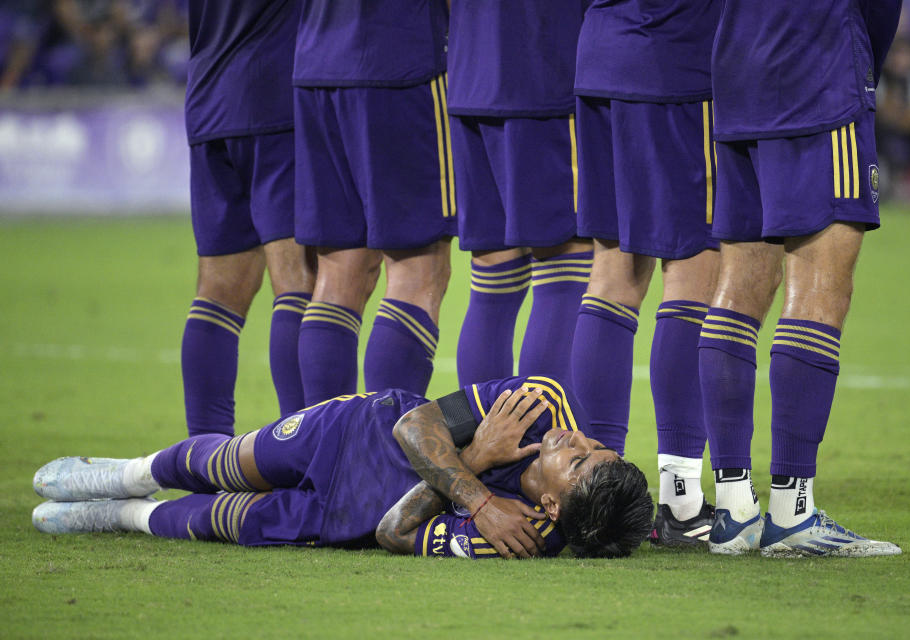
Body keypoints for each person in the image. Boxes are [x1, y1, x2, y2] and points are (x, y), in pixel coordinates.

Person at [699, 0, 904, 556]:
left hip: (736, 68)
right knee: (821, 285)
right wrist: (860, 66)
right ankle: (793, 513)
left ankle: (733, 510)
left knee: (737, 286)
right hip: (816, 64)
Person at [33, 379, 654, 559]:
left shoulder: (526, 539)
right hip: (350, 434)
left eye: (576, 458)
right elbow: (413, 428)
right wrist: (479, 494)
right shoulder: (539, 403)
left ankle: (117, 515)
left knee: (220, 522)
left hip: (345, 515)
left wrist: (468, 468)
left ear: (552, 508)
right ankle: (127, 473)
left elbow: (393, 532)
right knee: (227, 461)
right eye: (601, 446)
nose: (575, 436)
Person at [569, 0, 722, 548]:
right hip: (677, 61)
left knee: (611, 276)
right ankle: (681, 501)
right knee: (695, 272)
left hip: (600, 55)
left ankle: (592, 492)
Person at [293, 0, 456, 404]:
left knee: (337, 275)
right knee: (419, 273)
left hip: (316, 62)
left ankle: (325, 452)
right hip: (399, 61)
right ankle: (381, 450)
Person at [180, 0, 316, 437]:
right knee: (299, 282)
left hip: (208, 96)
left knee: (219, 291)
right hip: (276, 99)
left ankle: (202, 455)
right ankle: (300, 452)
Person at [447, 0, 594, 387]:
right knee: (565, 267)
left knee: (493, 277)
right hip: (544, 74)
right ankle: (541, 439)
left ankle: (480, 441)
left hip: (469, 78)